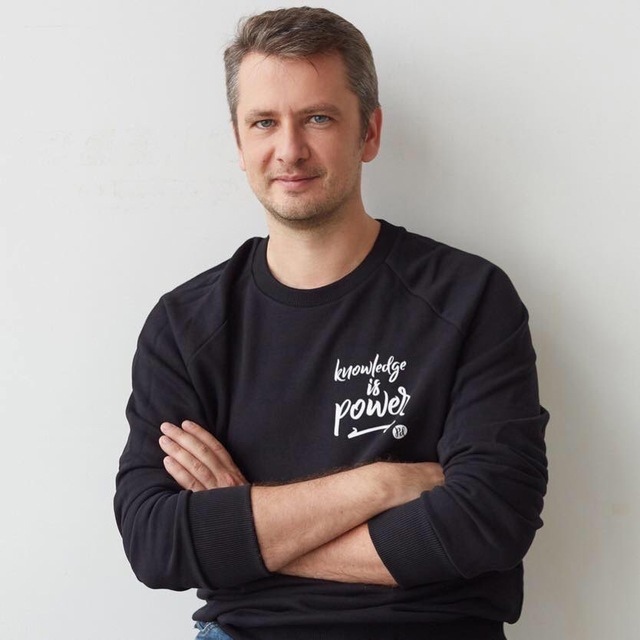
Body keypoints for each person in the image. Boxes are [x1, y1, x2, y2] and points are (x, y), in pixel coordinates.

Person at [114, 7, 549, 640]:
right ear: (239, 143)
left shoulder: (469, 297)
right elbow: (155, 543)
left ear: (369, 132)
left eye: (318, 118)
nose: (289, 150)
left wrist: (241, 531)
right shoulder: (185, 324)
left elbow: (488, 521)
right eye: (264, 122)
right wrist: (382, 484)